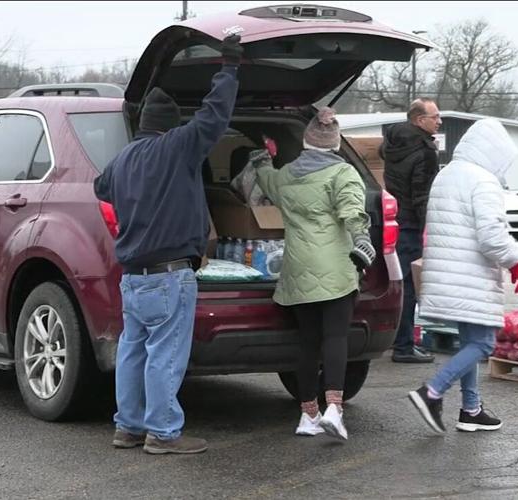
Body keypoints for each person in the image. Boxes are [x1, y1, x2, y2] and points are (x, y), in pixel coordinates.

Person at [93, 34, 242, 455]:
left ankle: (128, 427)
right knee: (165, 353)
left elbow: (100, 188)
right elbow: (213, 118)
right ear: (171, 125)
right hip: (169, 276)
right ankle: (163, 433)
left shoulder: (122, 161)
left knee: (133, 352)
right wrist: (228, 68)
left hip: (134, 278)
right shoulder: (176, 147)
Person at [254, 108, 376, 440]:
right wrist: (363, 241)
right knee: (334, 338)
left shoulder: (286, 175)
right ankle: (334, 409)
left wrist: (262, 154)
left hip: (296, 271)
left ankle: (308, 416)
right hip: (335, 270)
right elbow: (353, 211)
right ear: (335, 144)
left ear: (307, 142)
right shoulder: (343, 174)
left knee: (307, 344)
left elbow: (263, 175)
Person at [407, 119, 518, 434]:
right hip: (472, 276)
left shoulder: (447, 174)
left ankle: (471, 408)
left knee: (470, 342)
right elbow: (490, 236)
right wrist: (516, 259)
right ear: (494, 153)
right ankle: (432, 391)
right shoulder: (483, 180)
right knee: (484, 344)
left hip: (448, 274)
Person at [381, 98, 442, 363]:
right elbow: (422, 196)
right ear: (419, 120)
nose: (439, 121)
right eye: (435, 116)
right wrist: (428, 230)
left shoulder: (392, 145)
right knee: (409, 285)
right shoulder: (425, 151)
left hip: (395, 219)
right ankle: (404, 346)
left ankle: (398, 339)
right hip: (412, 225)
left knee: (398, 281)